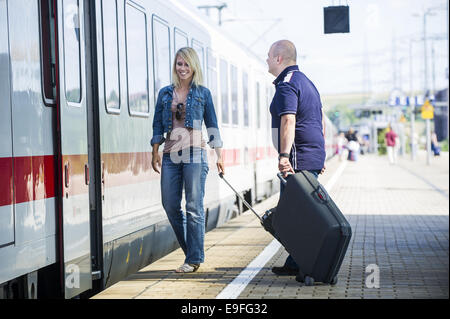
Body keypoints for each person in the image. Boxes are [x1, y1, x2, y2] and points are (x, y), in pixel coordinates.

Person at [151, 47, 225, 273]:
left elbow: (212, 125)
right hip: (170, 155)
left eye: (186, 64)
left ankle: (193, 260)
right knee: (170, 205)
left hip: (194, 153)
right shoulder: (165, 93)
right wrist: (155, 151)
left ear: (194, 67)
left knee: (193, 207)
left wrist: (219, 154)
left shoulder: (203, 93)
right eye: (179, 64)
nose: (182, 68)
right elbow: (156, 124)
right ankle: (192, 253)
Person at [266, 40, 326, 276]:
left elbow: (288, 119)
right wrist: (319, 157)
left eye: (269, 56)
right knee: (299, 211)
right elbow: (319, 121)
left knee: (296, 214)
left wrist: (283, 156)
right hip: (309, 155)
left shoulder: (287, 85)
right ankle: (295, 262)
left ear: (279, 58)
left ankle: (306, 262)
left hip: (297, 158)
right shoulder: (307, 82)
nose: (267, 60)